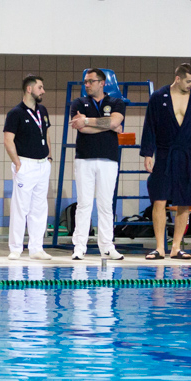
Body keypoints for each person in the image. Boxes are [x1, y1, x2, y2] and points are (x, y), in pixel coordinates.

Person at [140, 63, 191, 261]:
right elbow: (150, 126)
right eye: (188, 81)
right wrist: (148, 153)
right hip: (164, 153)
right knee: (159, 199)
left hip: (188, 153)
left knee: (185, 202)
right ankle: (159, 247)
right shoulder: (158, 97)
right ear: (178, 78)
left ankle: (176, 247)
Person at [69, 68, 127, 260]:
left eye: (90, 81)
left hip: (108, 160)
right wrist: (108, 126)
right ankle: (79, 247)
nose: (86, 84)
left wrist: (87, 121)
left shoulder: (116, 102)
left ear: (102, 83)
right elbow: (81, 129)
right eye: (85, 81)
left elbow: (115, 121)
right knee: (84, 204)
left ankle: (107, 246)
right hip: (84, 159)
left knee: (105, 205)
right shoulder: (78, 102)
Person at [4, 73, 55, 261]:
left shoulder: (43, 111)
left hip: (43, 165)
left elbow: (47, 134)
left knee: (39, 208)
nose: (43, 91)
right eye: (40, 87)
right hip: (25, 164)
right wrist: (17, 162)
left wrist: (49, 156)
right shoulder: (15, 113)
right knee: (20, 208)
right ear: (29, 89)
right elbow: (8, 140)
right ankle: (16, 248)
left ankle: (36, 248)